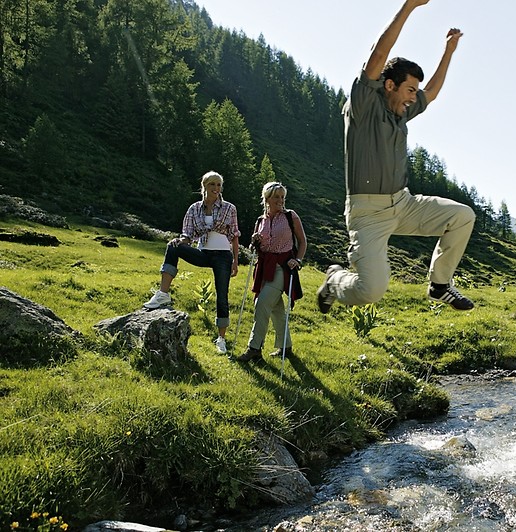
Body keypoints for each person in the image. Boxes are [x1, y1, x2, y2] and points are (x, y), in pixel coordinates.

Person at [316, 0, 476, 315]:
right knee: (371, 290)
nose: (414, 97)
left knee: (462, 216)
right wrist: (409, 6)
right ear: (390, 85)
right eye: (410, 89)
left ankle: (439, 284)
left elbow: (432, 92)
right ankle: (334, 280)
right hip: (367, 213)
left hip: (403, 203)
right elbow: (378, 55)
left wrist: (448, 52)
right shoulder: (363, 105)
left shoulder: (401, 112)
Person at [143, 171, 240, 354]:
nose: (216, 188)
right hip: (203, 253)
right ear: (204, 186)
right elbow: (187, 234)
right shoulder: (194, 209)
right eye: (212, 184)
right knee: (173, 246)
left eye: (219, 185)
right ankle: (163, 294)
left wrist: (235, 261)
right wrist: (181, 240)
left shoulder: (229, 208)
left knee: (222, 296)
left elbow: (234, 235)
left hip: (222, 256)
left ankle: (221, 339)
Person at [237, 182, 307, 363]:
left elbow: (302, 241)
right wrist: (254, 241)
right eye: (276, 197)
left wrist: (298, 260)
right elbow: (255, 246)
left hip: (283, 268)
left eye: (282, 197)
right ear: (267, 198)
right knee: (276, 309)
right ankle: (286, 347)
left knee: (261, 304)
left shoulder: (290, 216)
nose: (280, 200)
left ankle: (254, 348)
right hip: (264, 267)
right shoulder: (260, 221)